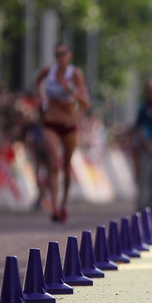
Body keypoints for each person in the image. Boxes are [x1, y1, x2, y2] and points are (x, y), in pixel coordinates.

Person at [35, 41, 90, 222]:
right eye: (57, 54)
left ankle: (63, 203)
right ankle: (54, 205)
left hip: (69, 125)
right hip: (50, 123)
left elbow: (85, 103)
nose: (60, 57)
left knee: (66, 166)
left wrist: (71, 90)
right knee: (54, 163)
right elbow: (37, 83)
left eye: (63, 53)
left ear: (69, 55)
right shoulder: (47, 72)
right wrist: (42, 99)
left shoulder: (74, 74)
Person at [133, 80, 152, 210]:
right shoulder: (143, 108)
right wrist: (148, 145)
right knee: (144, 179)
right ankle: (141, 208)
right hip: (146, 146)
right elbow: (140, 128)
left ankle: (151, 208)